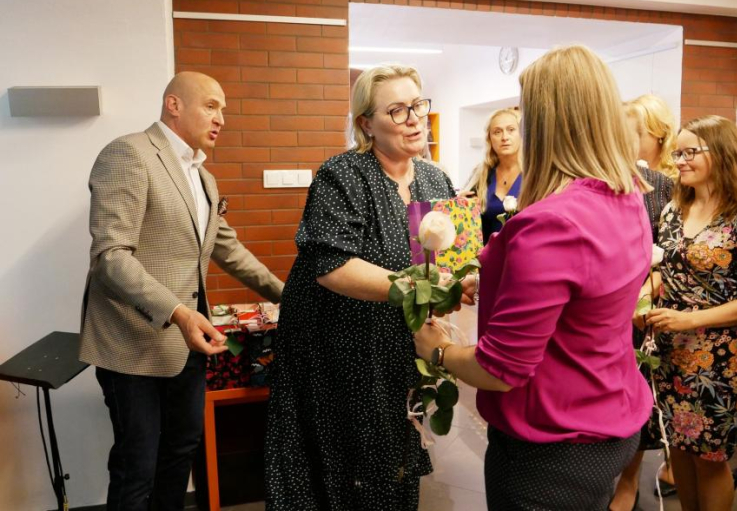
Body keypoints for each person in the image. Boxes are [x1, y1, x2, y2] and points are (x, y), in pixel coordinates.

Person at [414, 45, 653, 510]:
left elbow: (500, 370)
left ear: (541, 124)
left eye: (523, 116)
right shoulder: (626, 198)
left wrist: (438, 350)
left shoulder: (552, 223)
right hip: (610, 413)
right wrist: (498, 284)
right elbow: (586, 289)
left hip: (553, 444)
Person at [79, 71, 284, 511]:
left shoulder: (203, 178)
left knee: (180, 451)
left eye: (223, 109)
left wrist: (289, 295)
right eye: (211, 106)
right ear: (174, 104)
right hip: (131, 342)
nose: (221, 118)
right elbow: (111, 256)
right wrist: (178, 312)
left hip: (187, 344)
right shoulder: (129, 153)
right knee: (137, 463)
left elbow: (228, 249)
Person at [265, 64, 456, 510]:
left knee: (396, 457)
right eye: (397, 110)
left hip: (397, 343)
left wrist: (456, 285)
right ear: (366, 124)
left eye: (418, 105)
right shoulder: (343, 175)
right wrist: (419, 286)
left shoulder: (436, 179)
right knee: (347, 468)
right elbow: (332, 266)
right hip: (337, 349)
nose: (414, 119)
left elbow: (445, 261)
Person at [644, 115, 737, 511]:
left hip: (719, 360)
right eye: (677, 153)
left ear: (720, 154)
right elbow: (664, 269)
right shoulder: (673, 210)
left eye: (690, 152)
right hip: (668, 353)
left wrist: (691, 319)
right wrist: (644, 296)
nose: (680, 161)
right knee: (678, 451)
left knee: (710, 458)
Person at [610, 102, 676, 511]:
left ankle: (630, 478)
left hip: (643, 307)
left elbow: (671, 254)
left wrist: (646, 293)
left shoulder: (663, 185)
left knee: (641, 389)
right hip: (608, 302)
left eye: (632, 132)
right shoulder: (602, 178)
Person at [462, 108, 522, 243]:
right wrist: (459, 204)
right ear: (489, 138)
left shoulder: (534, 174)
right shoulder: (481, 175)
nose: (504, 137)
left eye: (511, 130)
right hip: (487, 254)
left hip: (525, 253)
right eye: (497, 132)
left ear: (521, 134)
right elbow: (468, 222)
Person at [625, 94, 679, 179]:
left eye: (638, 132)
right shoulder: (623, 172)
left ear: (659, 131)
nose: (629, 139)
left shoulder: (679, 174)